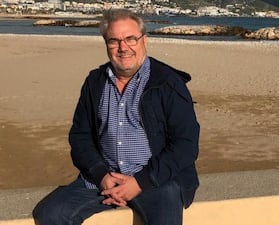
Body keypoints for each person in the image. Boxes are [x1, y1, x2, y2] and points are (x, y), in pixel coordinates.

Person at [32, 8, 200, 225]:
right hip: (103, 179)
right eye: (114, 41)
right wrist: (101, 175)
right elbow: (80, 136)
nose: (123, 48)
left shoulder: (167, 83)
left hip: (157, 180)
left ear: (144, 40)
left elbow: (186, 145)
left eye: (130, 38)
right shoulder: (95, 82)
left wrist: (140, 182)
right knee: (51, 214)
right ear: (106, 44)